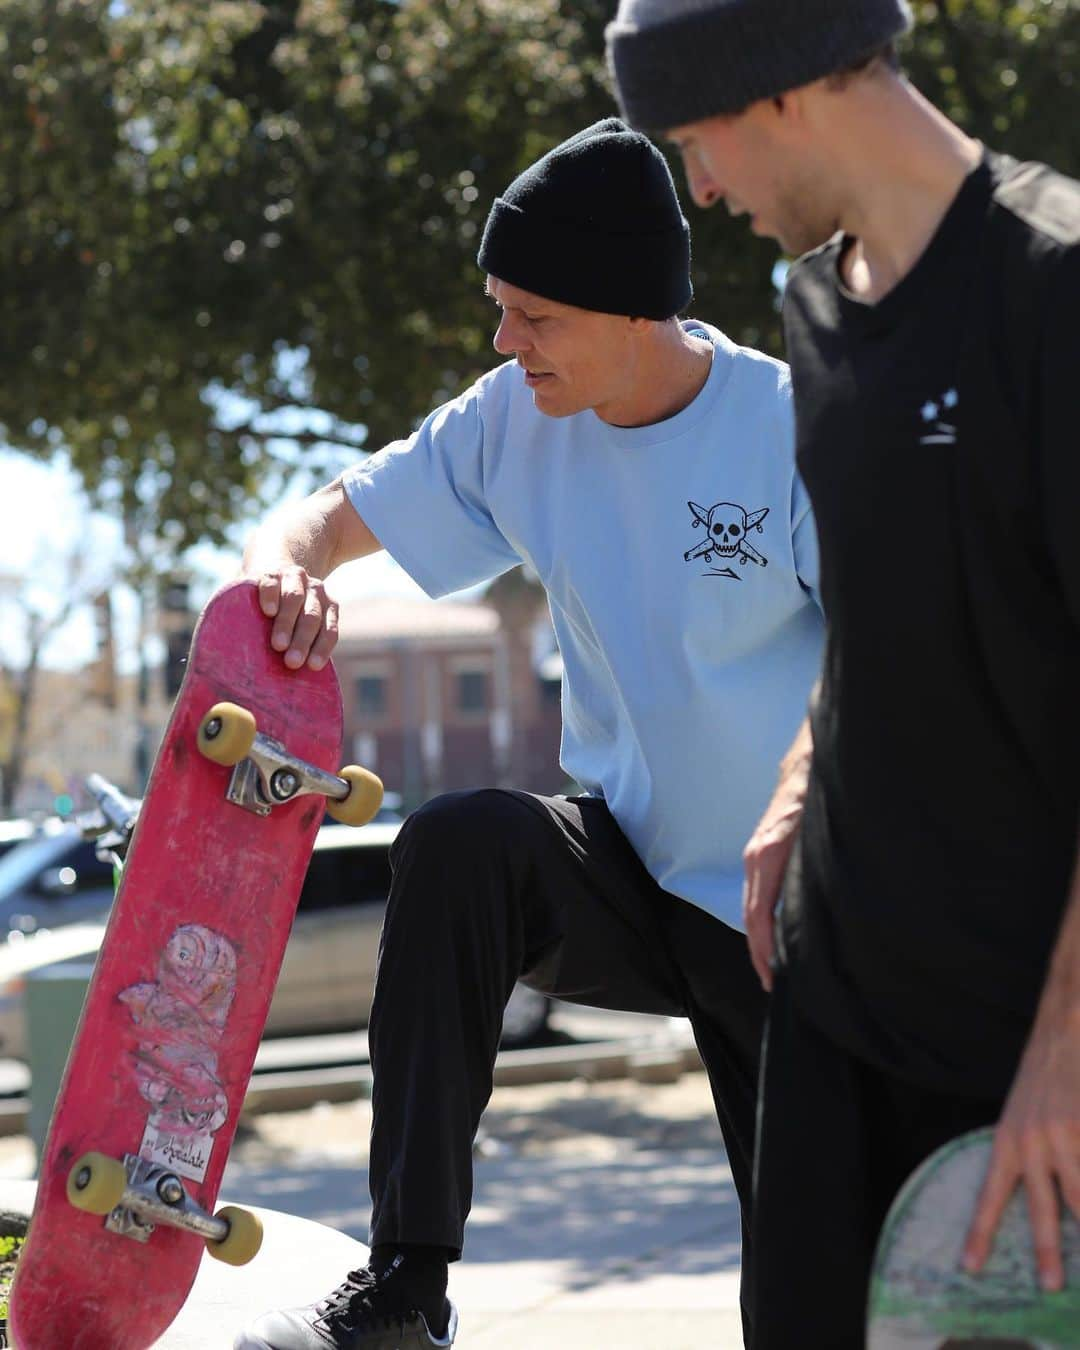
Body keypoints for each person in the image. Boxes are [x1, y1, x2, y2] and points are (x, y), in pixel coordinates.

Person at [233, 117, 823, 1350]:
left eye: (534, 315)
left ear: (634, 309)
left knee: (809, 1302)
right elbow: (336, 512)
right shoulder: (515, 417)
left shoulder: (790, 428)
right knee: (458, 843)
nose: (506, 340)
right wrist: (284, 565)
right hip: (625, 867)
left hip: (795, 903)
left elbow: (898, 659)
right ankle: (406, 1286)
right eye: (499, 309)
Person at [607, 2, 1080, 1345]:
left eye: (694, 139)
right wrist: (800, 780)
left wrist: (1066, 1051)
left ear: (776, 92)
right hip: (835, 1007)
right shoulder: (816, 308)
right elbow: (878, 613)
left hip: (1020, 1043)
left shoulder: (1053, 285)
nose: (699, 186)